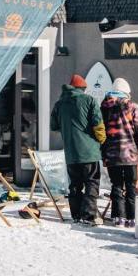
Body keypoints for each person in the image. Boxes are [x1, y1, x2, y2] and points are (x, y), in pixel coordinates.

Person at [51, 74, 106, 225]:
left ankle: (76, 215)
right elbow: (98, 125)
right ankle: (88, 216)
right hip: (89, 152)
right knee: (91, 183)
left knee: (75, 185)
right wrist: (102, 140)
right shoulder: (89, 100)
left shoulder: (59, 104)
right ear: (82, 88)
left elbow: (53, 126)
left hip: (71, 153)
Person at [100, 78, 138, 227]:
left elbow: (100, 129)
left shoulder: (104, 106)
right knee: (131, 186)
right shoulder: (132, 106)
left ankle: (118, 217)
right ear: (126, 92)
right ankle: (131, 218)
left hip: (111, 153)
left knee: (116, 185)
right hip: (130, 153)